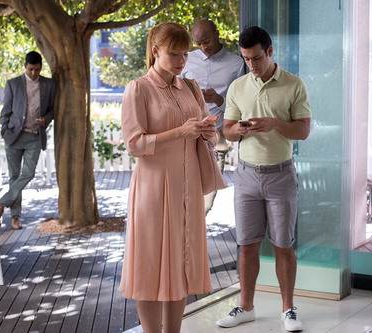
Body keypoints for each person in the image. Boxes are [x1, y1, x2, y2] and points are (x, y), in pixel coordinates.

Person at [119, 22, 219, 333]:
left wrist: (206, 132)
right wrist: (180, 132)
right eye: (174, 54)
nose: (181, 61)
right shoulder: (138, 88)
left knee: (182, 264)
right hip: (153, 189)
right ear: (155, 51)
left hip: (187, 187)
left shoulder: (190, 87)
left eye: (186, 54)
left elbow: (210, 136)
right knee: (150, 265)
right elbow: (134, 144)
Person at [216, 26, 311, 332]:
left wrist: (274, 124)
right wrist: (238, 131)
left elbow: (303, 131)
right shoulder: (238, 87)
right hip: (246, 175)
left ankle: (288, 310)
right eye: (246, 59)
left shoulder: (294, 85)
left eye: (256, 57)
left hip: (280, 174)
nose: (252, 64)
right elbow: (227, 131)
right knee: (247, 244)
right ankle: (245, 308)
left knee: (283, 245)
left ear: (270, 52)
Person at [181, 18, 245, 214]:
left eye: (206, 41)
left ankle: (195, 241)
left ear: (217, 33)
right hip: (185, 136)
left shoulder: (236, 63)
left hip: (216, 137)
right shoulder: (186, 59)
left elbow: (242, 103)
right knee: (183, 197)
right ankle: (184, 243)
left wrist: (219, 100)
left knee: (205, 204)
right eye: (198, 43)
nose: (203, 47)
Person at [0, 51, 56, 230]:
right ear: (25, 66)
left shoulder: (49, 84)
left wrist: (47, 119)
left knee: (28, 173)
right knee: (14, 177)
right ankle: (15, 218)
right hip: (14, 135)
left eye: (37, 70)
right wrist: (5, 131)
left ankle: (1, 203)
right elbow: (6, 111)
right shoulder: (13, 84)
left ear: (40, 68)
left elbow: (52, 109)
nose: (34, 73)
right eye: (30, 70)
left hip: (35, 136)